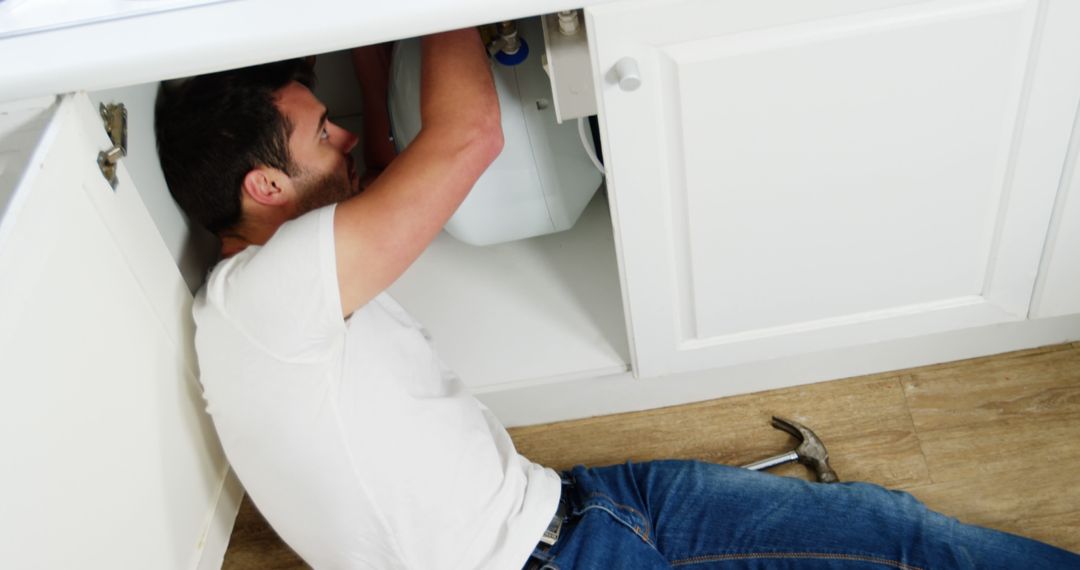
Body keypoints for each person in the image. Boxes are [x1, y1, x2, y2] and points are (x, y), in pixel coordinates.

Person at [155, 28, 1080, 570]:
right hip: (565, 554)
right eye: (323, 134)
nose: (348, 137)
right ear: (264, 188)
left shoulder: (270, 296)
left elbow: (397, 161)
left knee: (897, 534)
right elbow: (471, 136)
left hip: (583, 509)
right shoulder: (267, 296)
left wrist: (377, 73)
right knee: (906, 545)